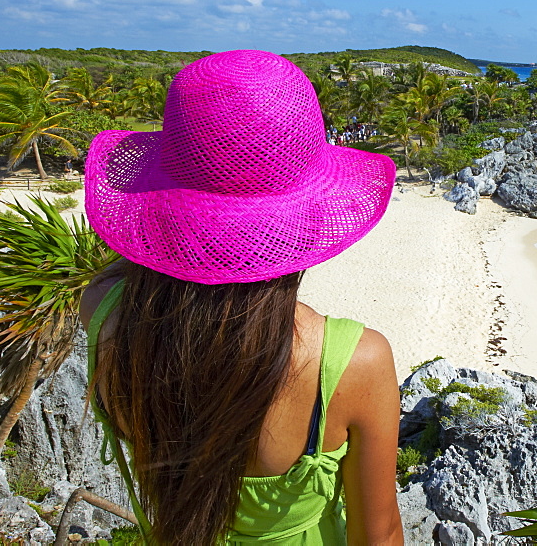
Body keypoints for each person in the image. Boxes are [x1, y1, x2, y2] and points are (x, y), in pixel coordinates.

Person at [79, 50, 404, 545]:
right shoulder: (353, 362)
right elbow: (377, 536)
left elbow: (129, 263)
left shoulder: (104, 311)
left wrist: (186, 231)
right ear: (308, 218)